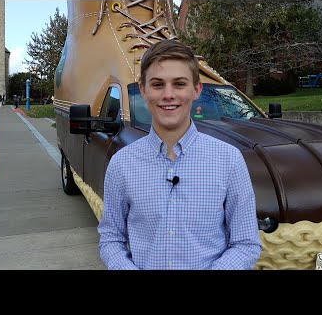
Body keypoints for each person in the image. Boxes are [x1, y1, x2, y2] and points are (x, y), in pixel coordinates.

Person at [97, 39, 262, 270]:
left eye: (179, 84)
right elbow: (111, 238)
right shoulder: (122, 163)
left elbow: (246, 243)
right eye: (157, 84)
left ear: (196, 90)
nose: (168, 95)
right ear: (143, 90)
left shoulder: (229, 160)